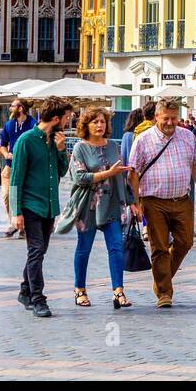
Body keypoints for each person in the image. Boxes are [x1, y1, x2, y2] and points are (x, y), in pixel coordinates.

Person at [127, 99, 196, 309]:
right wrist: (135, 202)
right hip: (154, 201)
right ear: (156, 117)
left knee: (185, 241)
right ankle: (164, 292)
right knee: (160, 248)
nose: (171, 123)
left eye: (174, 118)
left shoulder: (187, 136)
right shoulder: (143, 140)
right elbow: (133, 173)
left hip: (182, 199)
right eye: (166, 118)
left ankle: (161, 278)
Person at [64, 108, 135, 310]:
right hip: (88, 207)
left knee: (116, 248)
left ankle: (118, 291)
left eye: (102, 121)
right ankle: (80, 289)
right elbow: (79, 177)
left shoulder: (113, 146)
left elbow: (120, 175)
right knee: (84, 249)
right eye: (94, 121)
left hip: (112, 204)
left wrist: (132, 201)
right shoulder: (80, 148)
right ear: (86, 125)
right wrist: (107, 174)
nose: (99, 125)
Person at [9, 99, 74, 318]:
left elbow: (63, 171)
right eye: (66, 118)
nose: (68, 122)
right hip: (30, 205)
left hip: (49, 206)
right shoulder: (26, 141)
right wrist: (16, 212)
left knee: (40, 251)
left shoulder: (54, 141)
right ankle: (38, 299)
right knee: (36, 250)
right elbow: (16, 178)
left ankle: (25, 290)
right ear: (55, 119)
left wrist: (62, 150)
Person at [0, 99, 36, 239]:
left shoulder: (33, 124)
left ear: (20, 108)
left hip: (27, 168)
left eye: (12, 106)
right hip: (10, 166)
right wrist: (5, 153)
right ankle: (15, 222)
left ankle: (22, 226)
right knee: (8, 195)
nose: (10, 108)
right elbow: (3, 144)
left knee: (24, 196)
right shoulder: (9, 124)